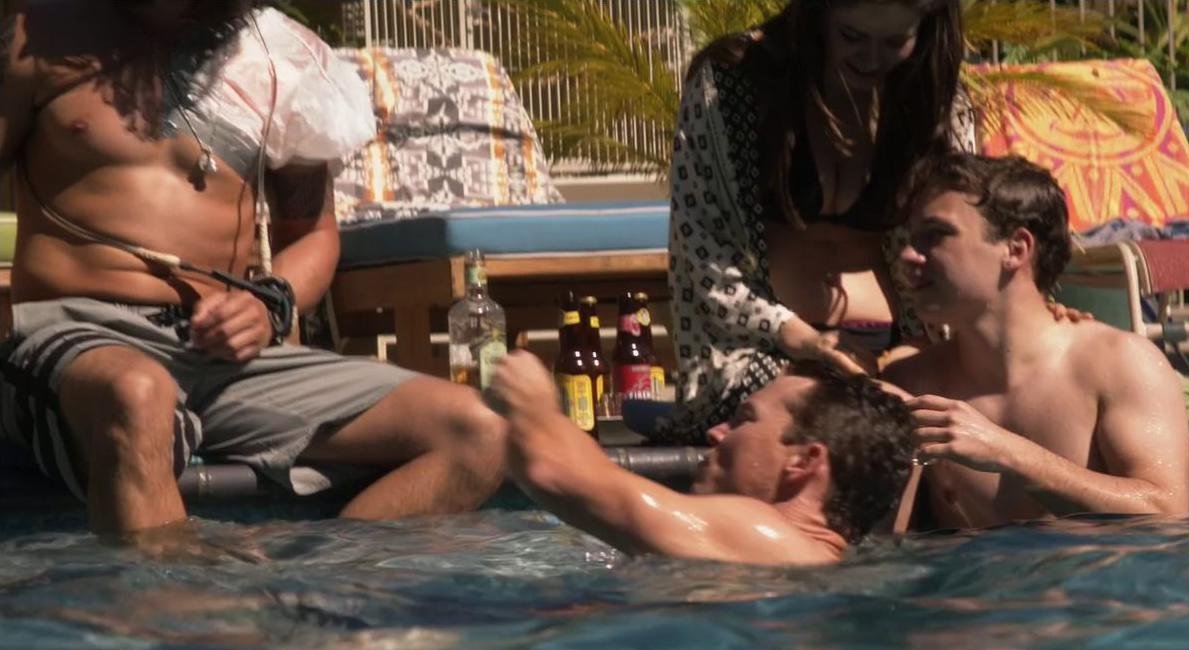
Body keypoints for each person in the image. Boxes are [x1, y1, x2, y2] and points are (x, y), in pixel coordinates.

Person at [0, 0, 504, 535]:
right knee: (138, 394)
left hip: (219, 353)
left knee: (482, 431)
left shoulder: (281, 58)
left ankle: (316, 582)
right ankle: (173, 589)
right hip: (76, 336)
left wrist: (269, 304)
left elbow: (313, 236)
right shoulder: (40, 36)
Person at [657, 0, 975, 444]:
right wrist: (806, 342)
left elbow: (973, 231)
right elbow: (703, 250)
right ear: (817, 15)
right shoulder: (734, 83)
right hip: (756, 352)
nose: (871, 58)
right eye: (852, 36)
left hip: (902, 352)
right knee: (807, 417)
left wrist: (1029, 303)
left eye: (894, 42)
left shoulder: (935, 98)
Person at [884, 153, 1189, 530]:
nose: (907, 255)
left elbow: (1166, 512)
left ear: (1016, 248)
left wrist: (1009, 454)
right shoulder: (911, 384)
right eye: (911, 239)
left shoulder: (1120, 365)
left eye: (935, 235)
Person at [489, 350, 915, 566]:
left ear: (803, 462)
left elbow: (553, 469)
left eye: (744, 420)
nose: (716, 432)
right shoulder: (815, 566)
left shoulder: (764, 535)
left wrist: (531, 397)